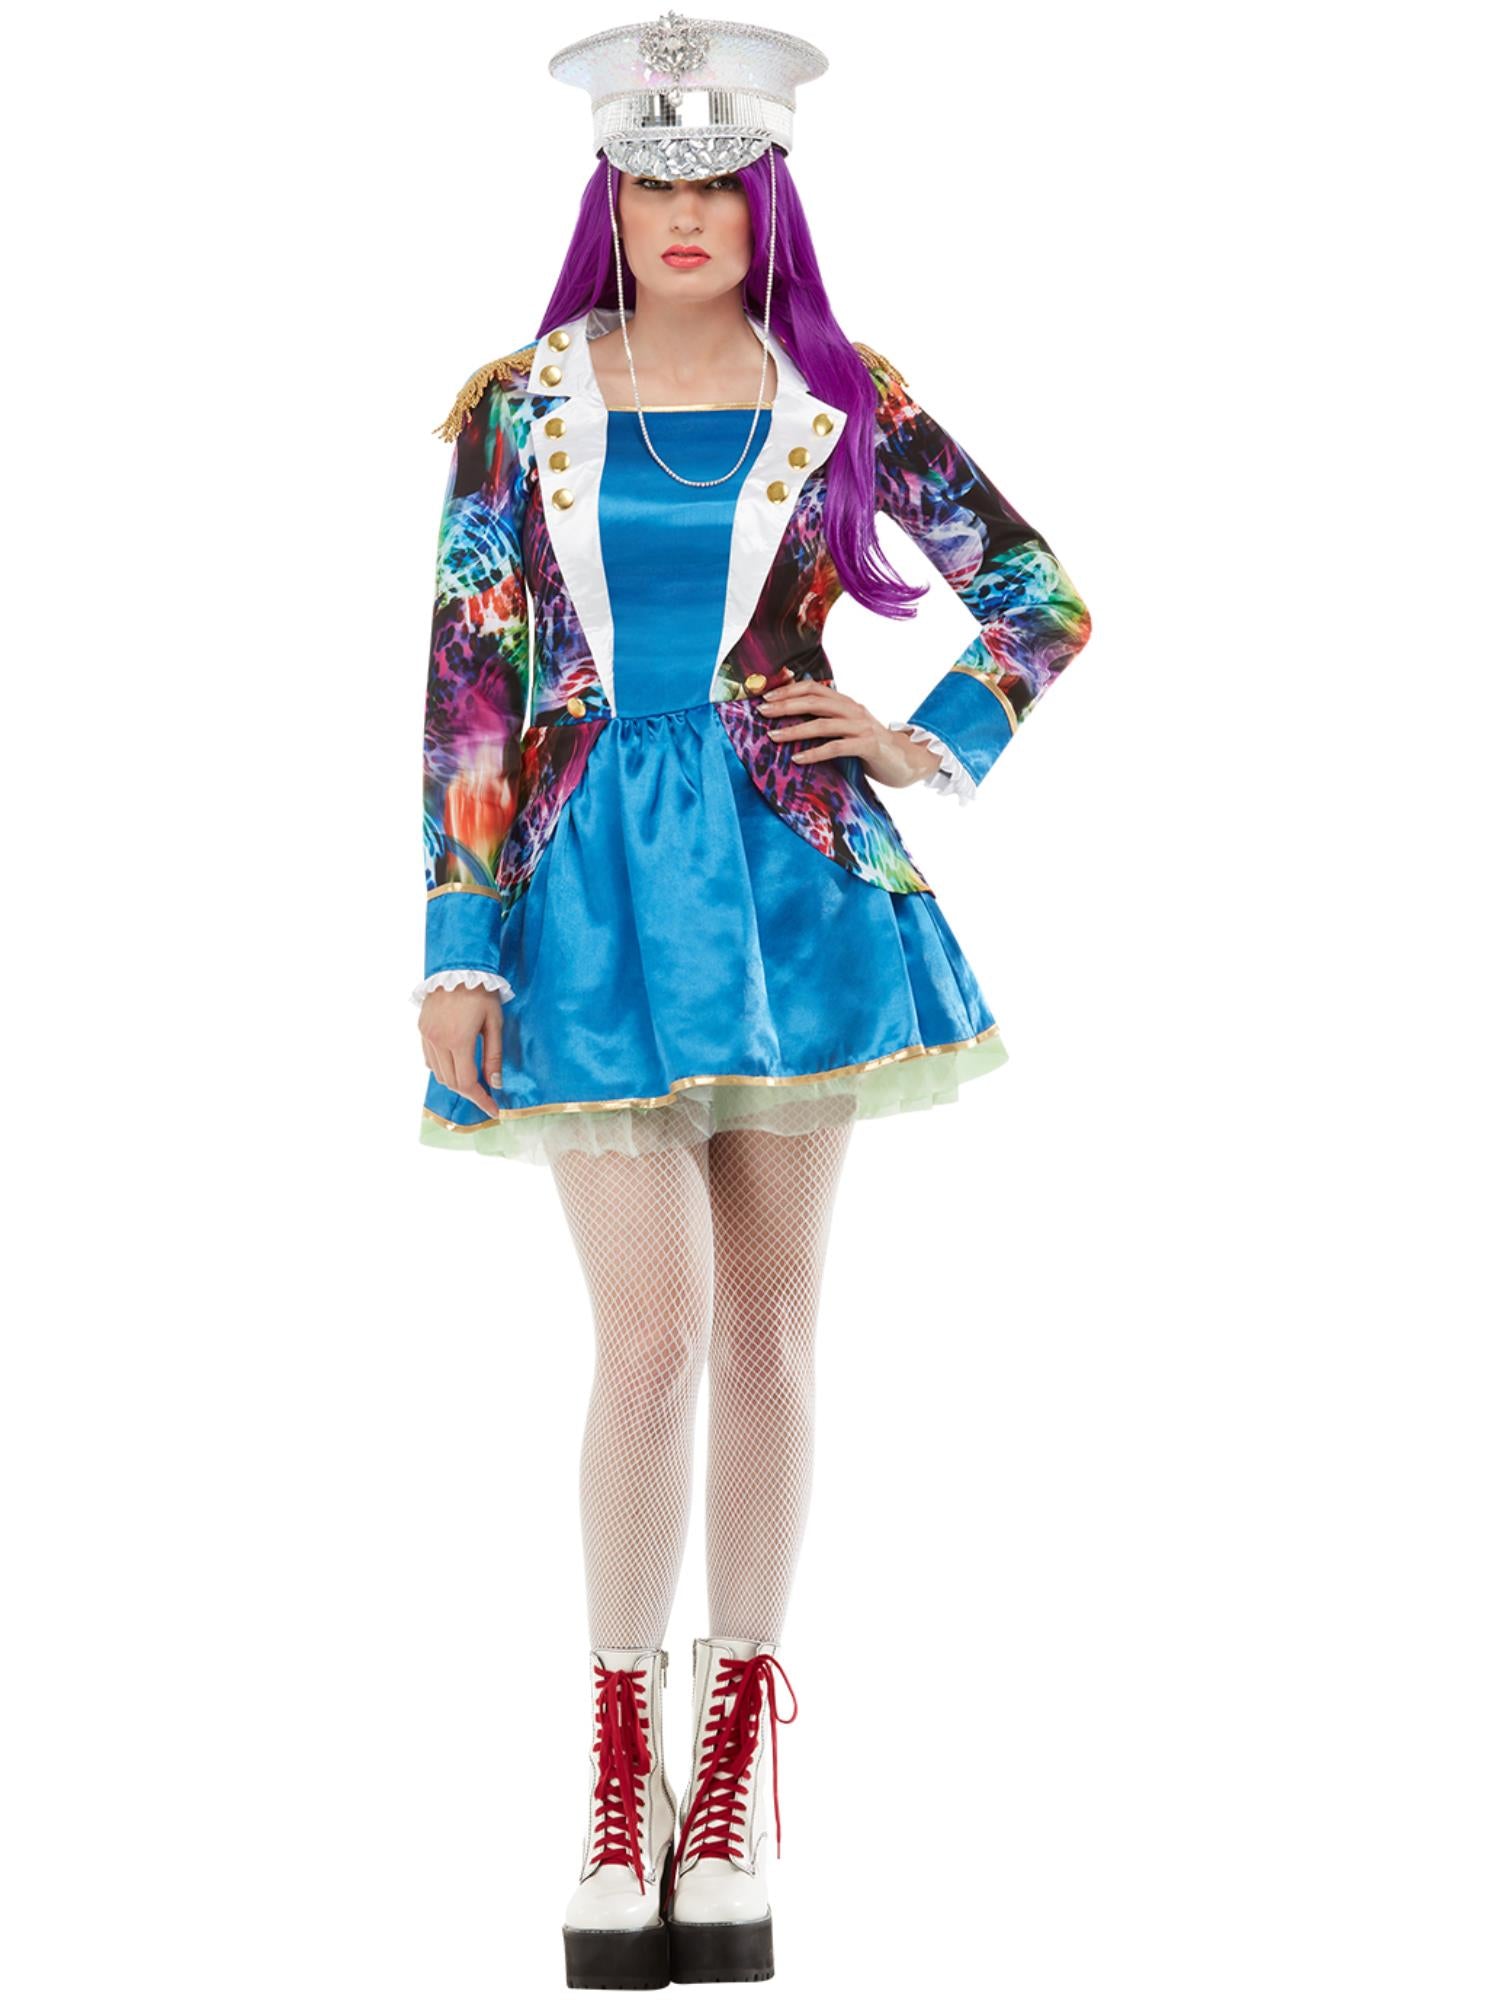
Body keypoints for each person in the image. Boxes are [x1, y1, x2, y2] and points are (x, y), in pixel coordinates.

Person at [411, 14, 1093, 1987]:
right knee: (653, 1334)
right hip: (582, 895)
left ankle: (734, 1777)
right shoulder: (519, 405)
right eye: (653, 180)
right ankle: (617, 1768)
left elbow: (1040, 596)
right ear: (607, 199)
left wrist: (923, 738)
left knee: (775, 1327)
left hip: (795, 889)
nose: (687, 212)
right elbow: (469, 677)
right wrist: (458, 937)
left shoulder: (846, 397)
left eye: (720, 177)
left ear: (770, 192)